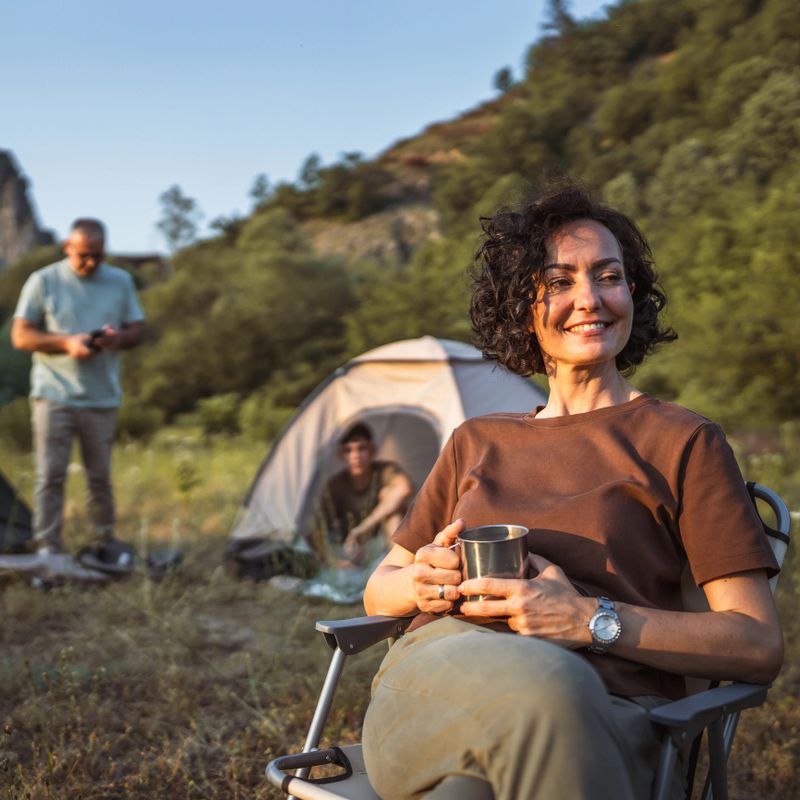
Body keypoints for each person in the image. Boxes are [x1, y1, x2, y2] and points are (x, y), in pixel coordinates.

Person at [360, 182, 782, 800]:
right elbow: (379, 589)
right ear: (520, 308)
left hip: (610, 715)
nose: (590, 298)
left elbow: (756, 642)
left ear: (632, 294)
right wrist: (423, 582)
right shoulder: (477, 440)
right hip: (441, 680)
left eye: (609, 277)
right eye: (559, 282)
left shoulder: (684, 441)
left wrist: (590, 620)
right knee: (547, 686)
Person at [11, 218, 145, 556]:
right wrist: (67, 343)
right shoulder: (43, 280)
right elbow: (21, 336)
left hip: (101, 396)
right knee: (50, 476)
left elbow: (136, 330)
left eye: (97, 256)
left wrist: (117, 339)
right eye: (83, 255)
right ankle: (48, 546)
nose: (90, 263)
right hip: (53, 394)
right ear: (67, 247)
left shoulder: (120, 281)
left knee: (99, 477)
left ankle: (104, 542)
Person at [314, 422, 413, 566]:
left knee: (389, 496)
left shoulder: (384, 470)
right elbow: (317, 528)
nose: (355, 456)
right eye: (348, 450)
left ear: (372, 450)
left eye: (361, 448)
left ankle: (397, 566)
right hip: (352, 549)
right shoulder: (336, 485)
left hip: (385, 541)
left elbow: (404, 488)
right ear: (341, 455)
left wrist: (362, 528)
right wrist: (333, 562)